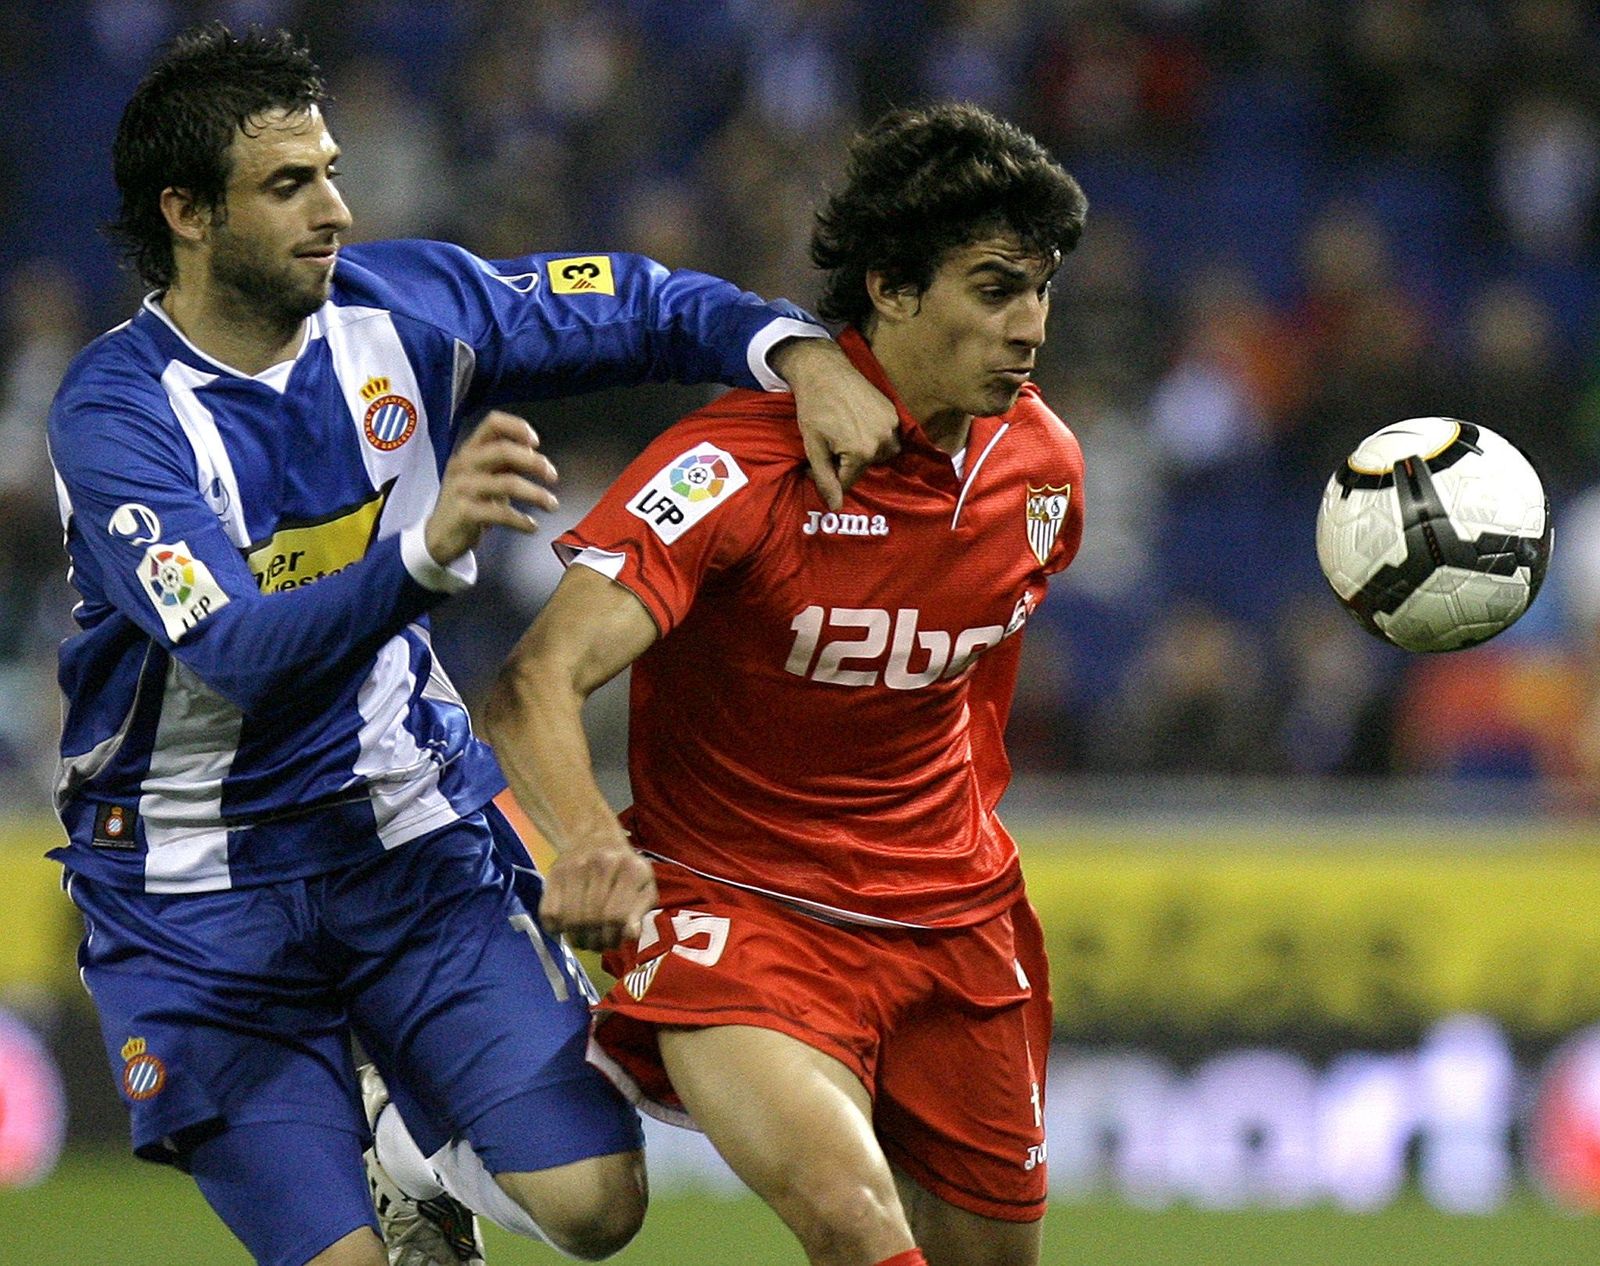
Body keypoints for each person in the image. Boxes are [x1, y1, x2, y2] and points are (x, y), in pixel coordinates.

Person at [47, 23, 898, 1266]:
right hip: (195, 892)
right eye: (288, 186)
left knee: (599, 1207)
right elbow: (234, 652)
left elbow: (633, 305)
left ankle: (404, 1152)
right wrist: (421, 555)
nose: (335, 210)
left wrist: (795, 349)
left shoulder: (406, 310)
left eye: (331, 171)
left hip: (407, 840)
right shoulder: (117, 415)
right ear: (186, 213)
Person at [483, 103, 1089, 1266]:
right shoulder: (730, 466)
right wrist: (590, 845)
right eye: (994, 289)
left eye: (1041, 289)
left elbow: (966, 700)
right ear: (892, 288)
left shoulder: (1043, 469)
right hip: (741, 910)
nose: (1030, 325)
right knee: (856, 1226)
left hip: (956, 923)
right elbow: (534, 680)